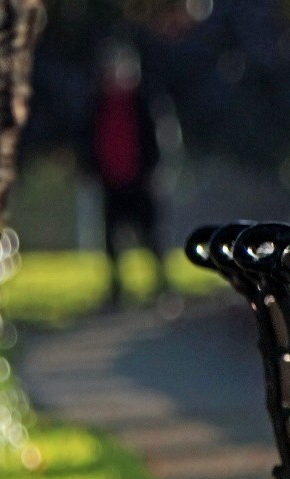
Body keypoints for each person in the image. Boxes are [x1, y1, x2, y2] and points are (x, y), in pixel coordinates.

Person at [84, 42, 165, 307]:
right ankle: (116, 289)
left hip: (138, 179)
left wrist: (153, 171)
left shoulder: (142, 103)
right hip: (111, 180)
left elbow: (153, 141)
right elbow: (90, 141)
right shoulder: (98, 105)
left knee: (149, 234)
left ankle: (161, 284)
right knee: (111, 239)